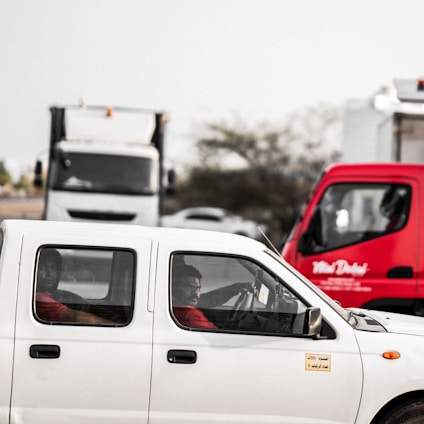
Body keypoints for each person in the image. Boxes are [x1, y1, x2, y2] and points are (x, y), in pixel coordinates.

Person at [36, 248, 112, 324]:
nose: (49, 274)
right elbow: (73, 316)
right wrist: (113, 325)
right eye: (42, 268)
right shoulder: (39, 297)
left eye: (53, 268)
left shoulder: (52, 294)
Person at [172, 263, 253, 329]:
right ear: (173, 288)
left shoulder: (176, 305)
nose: (196, 293)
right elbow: (218, 337)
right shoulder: (188, 313)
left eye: (198, 288)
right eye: (189, 287)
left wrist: (237, 288)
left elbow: (211, 299)